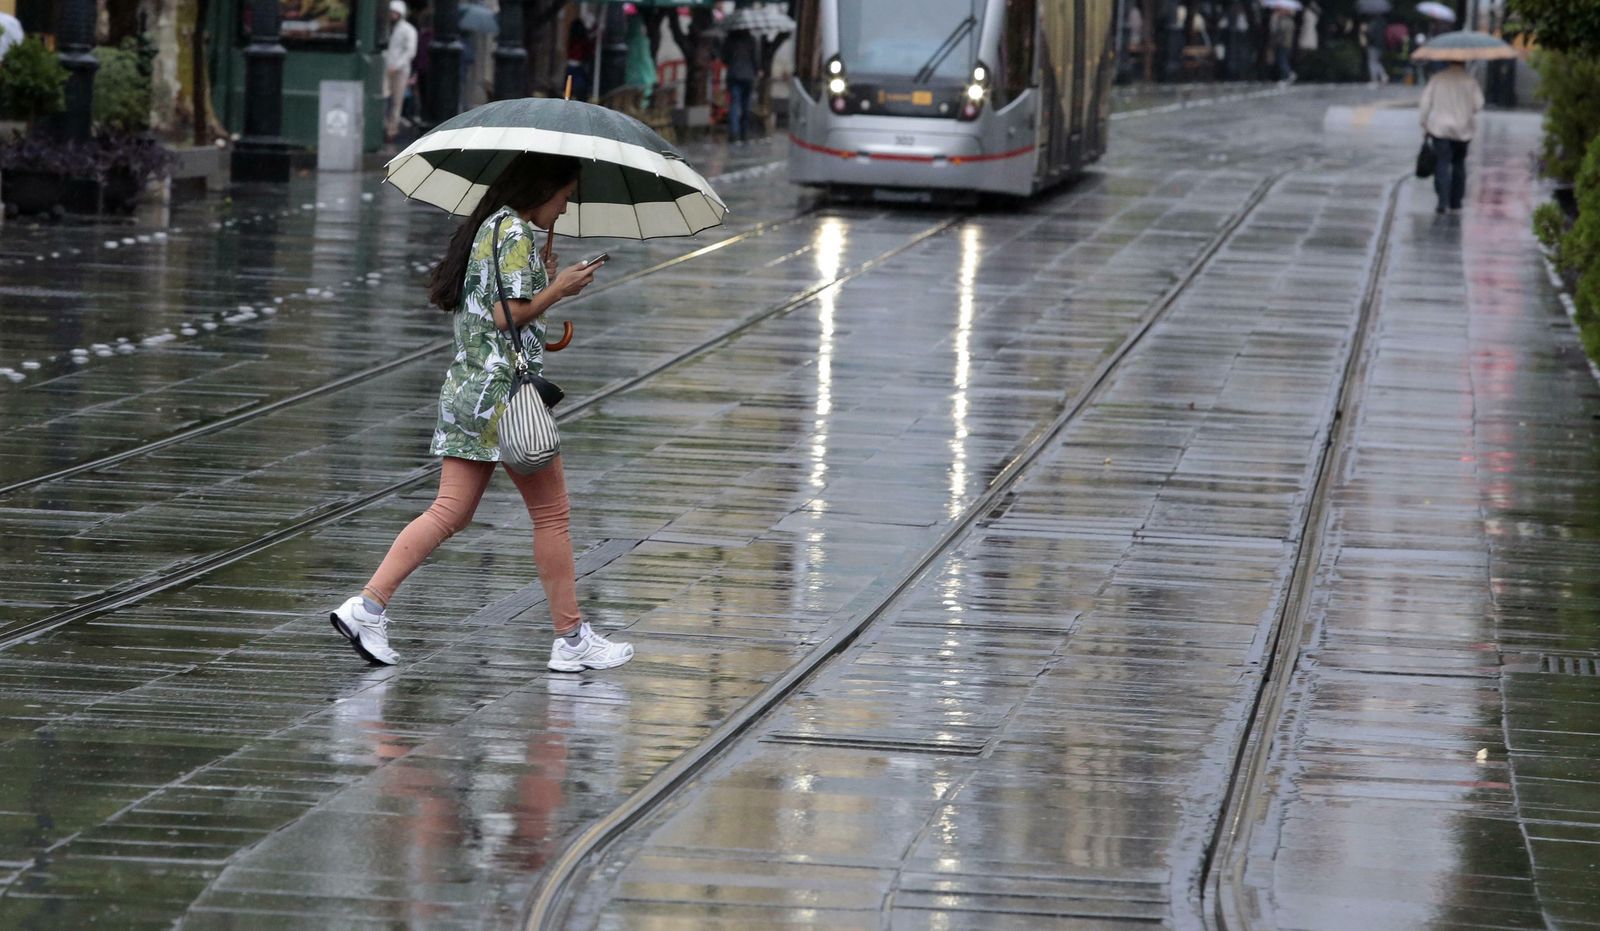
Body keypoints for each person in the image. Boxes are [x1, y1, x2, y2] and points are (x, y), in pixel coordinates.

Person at [331, 152, 633, 674]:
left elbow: (498, 310)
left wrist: (541, 286)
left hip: (468, 391)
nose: (564, 210)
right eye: (565, 198)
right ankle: (572, 638)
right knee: (552, 515)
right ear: (544, 188)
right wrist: (556, 290)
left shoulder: (491, 226)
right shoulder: (515, 232)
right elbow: (503, 315)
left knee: (450, 511)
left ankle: (367, 607)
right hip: (504, 399)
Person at [1418, 61, 1484, 214]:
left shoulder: (1438, 78)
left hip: (1440, 129)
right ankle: (1456, 202)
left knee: (1442, 163)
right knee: (1459, 164)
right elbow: (1479, 104)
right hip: (1463, 130)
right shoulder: (1470, 81)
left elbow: (1425, 102)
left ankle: (1442, 201)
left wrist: (1424, 122)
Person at [383, 0, 417, 144]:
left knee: (397, 101)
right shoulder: (387, 28)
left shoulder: (408, 29)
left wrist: (397, 65)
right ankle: (385, 126)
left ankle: (392, 130)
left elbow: (410, 51)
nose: (392, 15)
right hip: (386, 68)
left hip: (400, 70)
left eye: (395, 12)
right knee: (384, 98)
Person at [721, 27, 760, 143]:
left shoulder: (729, 39)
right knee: (746, 105)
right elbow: (755, 58)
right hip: (748, 76)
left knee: (734, 104)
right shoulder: (751, 40)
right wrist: (757, 70)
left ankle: (734, 133)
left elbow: (724, 59)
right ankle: (744, 132)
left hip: (734, 75)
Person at [1269, 8, 1296, 83]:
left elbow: (1279, 31)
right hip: (1285, 43)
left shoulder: (1286, 21)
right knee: (1282, 60)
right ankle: (1285, 76)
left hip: (1284, 43)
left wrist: (1275, 19)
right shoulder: (1287, 21)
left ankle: (1288, 74)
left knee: (1282, 60)